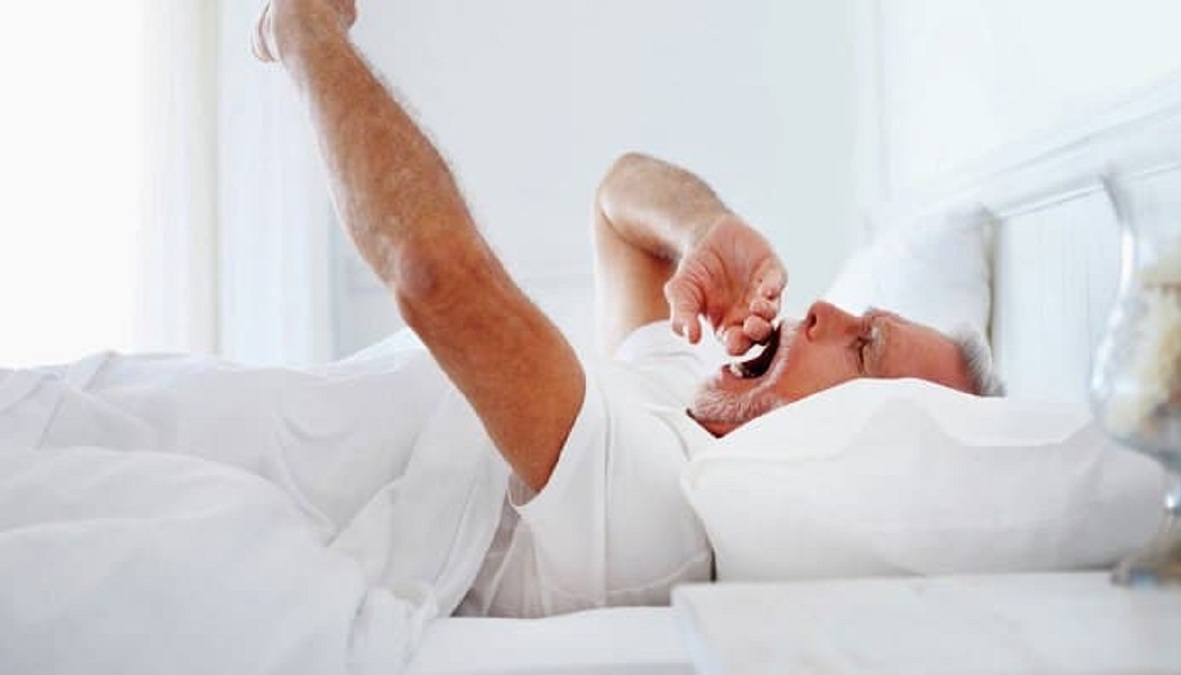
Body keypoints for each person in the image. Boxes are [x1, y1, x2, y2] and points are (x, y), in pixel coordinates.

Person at [0, 0, 999, 620]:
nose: (824, 312)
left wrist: (306, 31)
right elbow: (619, 198)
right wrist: (707, 225)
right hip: (141, 404)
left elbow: (434, 272)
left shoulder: (664, 513)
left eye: (864, 349)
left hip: (139, 483)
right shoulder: (682, 396)